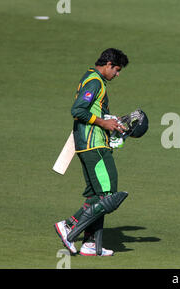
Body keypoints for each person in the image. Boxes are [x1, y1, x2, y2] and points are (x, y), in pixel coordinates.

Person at [54, 48, 129, 256]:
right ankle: (68, 226)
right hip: (93, 145)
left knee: (96, 195)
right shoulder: (95, 81)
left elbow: (94, 111)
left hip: (91, 143)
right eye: (117, 69)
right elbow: (78, 110)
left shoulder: (94, 80)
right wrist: (104, 122)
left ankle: (89, 243)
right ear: (107, 64)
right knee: (108, 194)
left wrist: (112, 123)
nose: (117, 74)